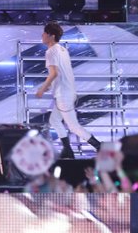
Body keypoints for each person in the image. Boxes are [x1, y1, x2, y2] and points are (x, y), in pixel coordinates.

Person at [36, 22, 101, 159]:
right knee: (54, 120)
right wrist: (49, 86)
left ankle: (100, 147)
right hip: (67, 92)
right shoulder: (62, 50)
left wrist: (42, 89)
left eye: (44, 33)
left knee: (73, 127)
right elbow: (61, 73)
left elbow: (53, 73)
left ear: (51, 36)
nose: (42, 35)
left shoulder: (51, 51)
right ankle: (67, 150)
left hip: (63, 95)